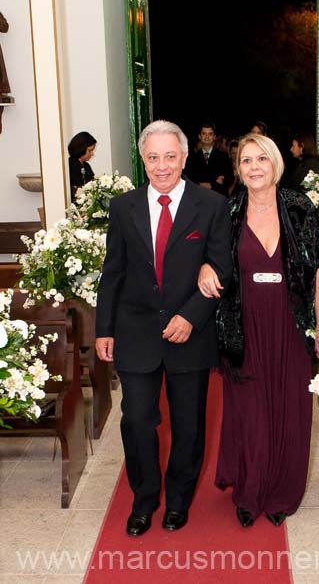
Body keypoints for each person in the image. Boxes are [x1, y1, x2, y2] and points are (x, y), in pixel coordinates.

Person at [95, 120, 232, 537]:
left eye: (169, 156)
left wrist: (191, 315)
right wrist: (104, 329)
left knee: (189, 426)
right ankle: (144, 499)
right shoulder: (123, 207)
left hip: (190, 332)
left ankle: (178, 501)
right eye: (153, 157)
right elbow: (113, 271)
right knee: (136, 419)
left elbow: (221, 267)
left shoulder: (210, 206)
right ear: (143, 159)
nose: (161, 166)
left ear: (185, 157)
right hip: (135, 330)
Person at [198, 132, 319, 527]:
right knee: (251, 409)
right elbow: (209, 256)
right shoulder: (228, 210)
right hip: (244, 323)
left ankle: (283, 491)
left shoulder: (299, 207)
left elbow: (317, 269)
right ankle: (250, 490)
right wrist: (204, 267)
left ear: (275, 164)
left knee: (290, 405)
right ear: (238, 169)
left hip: (291, 321)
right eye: (246, 161)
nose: (254, 167)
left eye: (262, 159)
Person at [184, 121, 234, 196]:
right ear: (199, 136)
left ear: (214, 137)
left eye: (210, 134)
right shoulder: (191, 158)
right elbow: (188, 179)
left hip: (218, 198)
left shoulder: (223, 157)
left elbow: (230, 178)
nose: (207, 137)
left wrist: (212, 185)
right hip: (198, 198)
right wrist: (201, 184)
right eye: (204, 134)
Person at [68, 131, 96, 200]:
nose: (92, 154)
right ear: (81, 148)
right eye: (90, 150)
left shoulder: (86, 166)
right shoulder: (71, 165)